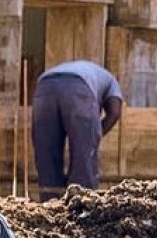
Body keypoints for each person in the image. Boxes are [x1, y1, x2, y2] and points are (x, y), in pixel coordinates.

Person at [31, 59, 123, 200]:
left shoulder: (91, 72)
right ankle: (81, 205)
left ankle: (49, 204)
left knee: (47, 155)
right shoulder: (112, 82)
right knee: (84, 158)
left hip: (44, 87)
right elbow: (114, 112)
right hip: (79, 88)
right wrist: (95, 134)